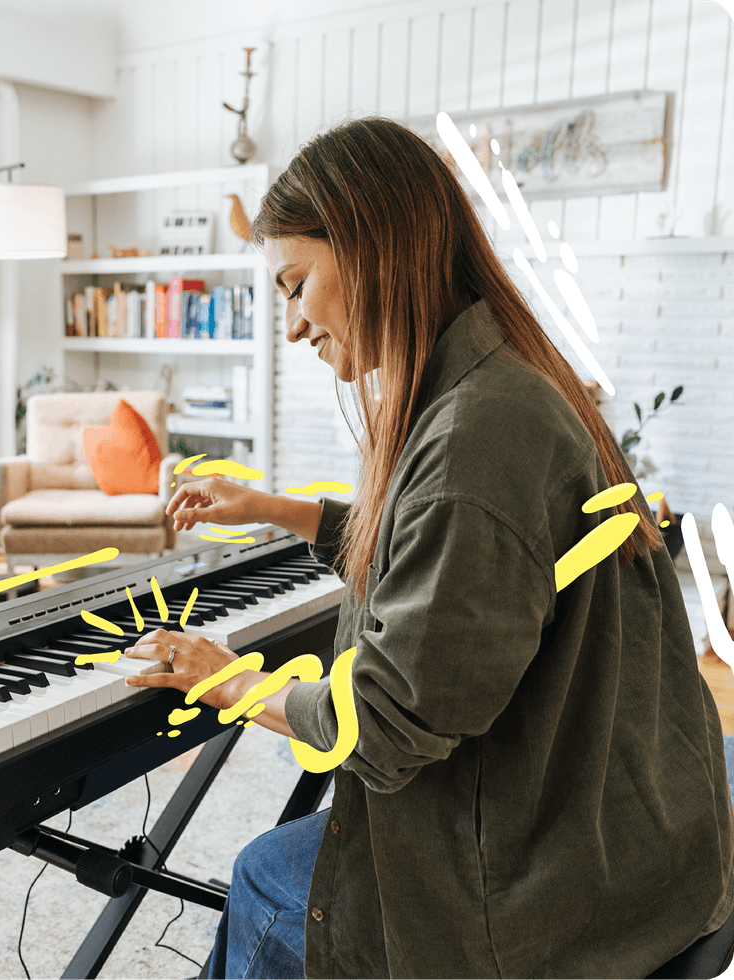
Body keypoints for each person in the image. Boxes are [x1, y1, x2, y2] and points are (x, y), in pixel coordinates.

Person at [123, 117, 734, 980]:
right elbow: (455, 560)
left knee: (263, 873)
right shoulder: (506, 379)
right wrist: (273, 508)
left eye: (296, 285)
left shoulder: (475, 439)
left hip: (554, 893)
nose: (292, 326)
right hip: (638, 834)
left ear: (373, 246)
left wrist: (224, 678)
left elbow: (378, 729)